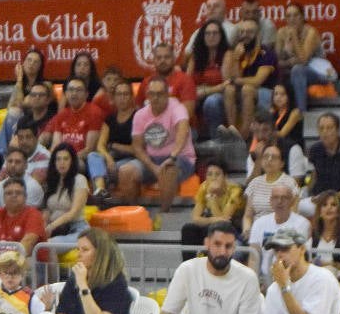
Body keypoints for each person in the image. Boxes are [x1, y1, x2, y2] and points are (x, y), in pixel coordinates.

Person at [118, 78, 194, 212]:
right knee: (125, 171)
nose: (155, 98)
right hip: (152, 159)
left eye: (159, 94)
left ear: (167, 94)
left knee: (168, 170)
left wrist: (172, 157)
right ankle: (136, 213)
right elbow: (137, 147)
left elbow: (182, 135)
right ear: (147, 95)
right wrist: (153, 167)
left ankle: (163, 214)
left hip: (180, 158)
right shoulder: (140, 114)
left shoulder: (178, 108)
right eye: (152, 94)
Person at [162, 220, 262, 314]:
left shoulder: (248, 278)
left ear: (234, 248)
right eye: (217, 244)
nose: (222, 252)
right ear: (207, 243)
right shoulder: (187, 270)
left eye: (228, 246)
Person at [38, 227, 130, 314]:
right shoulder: (75, 278)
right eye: (78, 249)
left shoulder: (116, 281)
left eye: (85, 250)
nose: (78, 255)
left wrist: (83, 286)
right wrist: (48, 311)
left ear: (100, 253)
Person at [275, 1, 338, 115]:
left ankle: (301, 113)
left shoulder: (310, 32)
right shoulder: (281, 32)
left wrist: (294, 37)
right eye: (288, 16)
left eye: (296, 15)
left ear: (303, 17)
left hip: (316, 72)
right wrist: (290, 61)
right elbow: (277, 61)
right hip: (292, 73)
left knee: (297, 69)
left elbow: (303, 60)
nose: (292, 19)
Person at [247, 181, 310, 280]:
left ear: (292, 201)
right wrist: (253, 283)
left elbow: (300, 255)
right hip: (265, 276)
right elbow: (253, 258)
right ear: (270, 201)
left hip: (292, 276)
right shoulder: (259, 223)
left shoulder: (302, 223)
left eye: (284, 198)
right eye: (276, 197)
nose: (279, 201)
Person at [299, 112, 340, 217]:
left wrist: (328, 197)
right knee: (300, 206)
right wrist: (305, 193)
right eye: (321, 128)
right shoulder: (314, 150)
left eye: (329, 128)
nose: (325, 132)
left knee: (336, 209)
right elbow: (313, 177)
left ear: (338, 130)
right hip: (318, 198)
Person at [87, 79, 136, 203]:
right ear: (114, 98)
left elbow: (137, 149)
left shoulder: (138, 116)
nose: (122, 98)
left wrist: (115, 146)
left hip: (130, 158)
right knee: (93, 156)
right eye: (119, 94)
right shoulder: (110, 119)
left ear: (131, 97)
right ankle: (101, 190)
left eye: (125, 94)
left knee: (117, 169)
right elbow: (100, 145)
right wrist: (108, 158)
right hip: (112, 157)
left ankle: (104, 196)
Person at [180, 158, 243, 254]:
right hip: (213, 223)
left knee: (213, 229)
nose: (213, 178)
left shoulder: (235, 190)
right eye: (209, 174)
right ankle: (189, 265)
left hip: (235, 227)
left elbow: (224, 223)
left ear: (225, 177)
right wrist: (213, 220)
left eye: (217, 174)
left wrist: (211, 198)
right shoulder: (204, 187)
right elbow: (196, 218)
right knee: (188, 229)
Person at [0, 177, 47, 256]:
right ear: (3, 198)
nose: (14, 196)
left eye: (18, 193)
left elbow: (28, 242)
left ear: (25, 197)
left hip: (28, 264)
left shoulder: (33, 214)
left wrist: (9, 262)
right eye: (9, 193)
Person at [41, 142, 90, 238]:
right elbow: (47, 211)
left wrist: (52, 226)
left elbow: (73, 212)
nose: (61, 163)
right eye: (58, 159)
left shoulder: (79, 179)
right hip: (55, 230)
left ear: (72, 161)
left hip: (76, 229)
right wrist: (43, 227)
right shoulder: (51, 182)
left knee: (49, 246)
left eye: (66, 159)